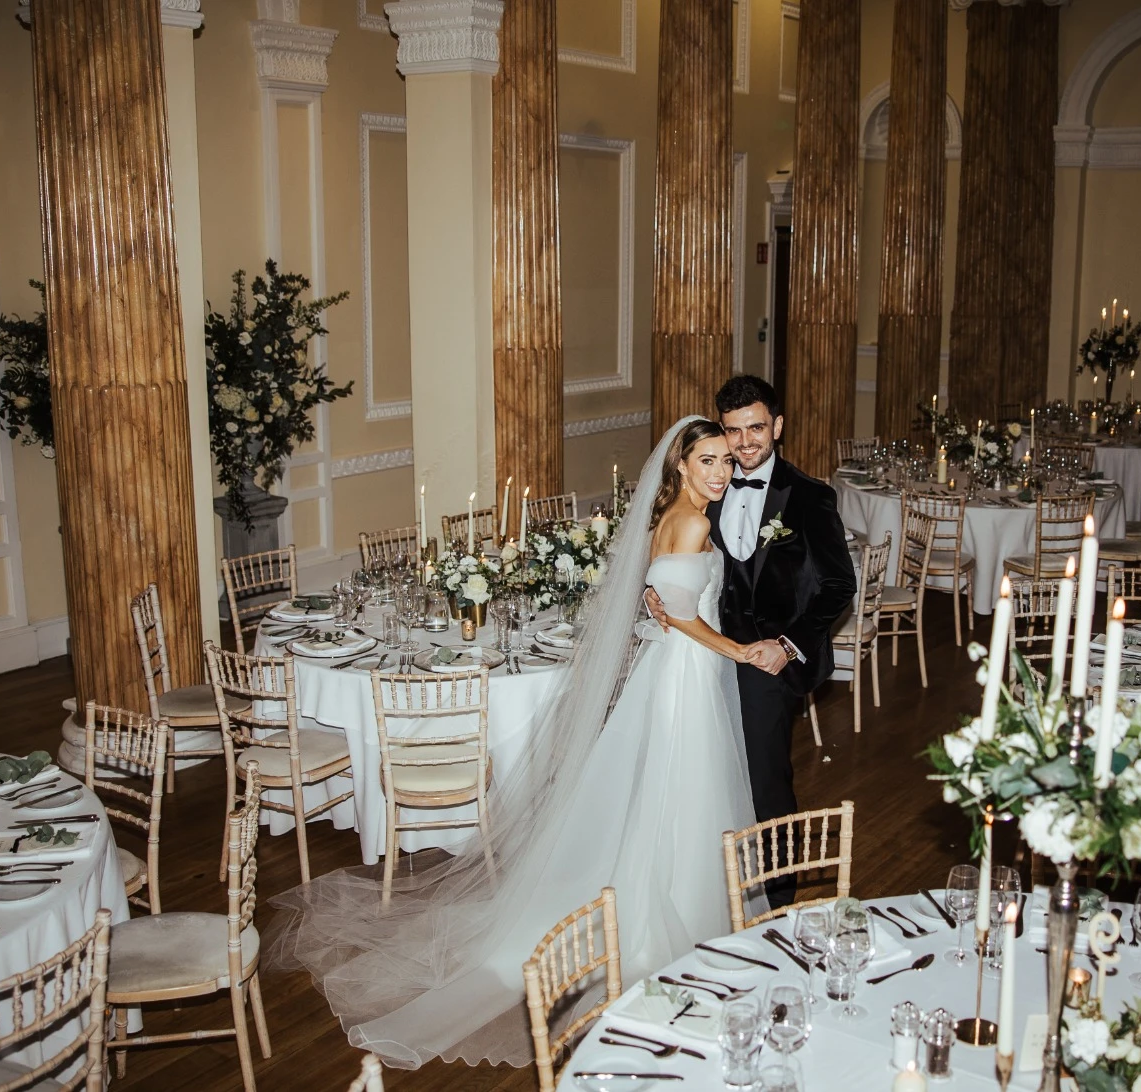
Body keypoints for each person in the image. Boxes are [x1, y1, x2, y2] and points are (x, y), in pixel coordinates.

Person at [268, 416, 767, 1069]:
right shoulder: (695, 523)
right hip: (685, 673)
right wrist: (739, 651)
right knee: (683, 788)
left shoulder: (667, 518)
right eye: (708, 460)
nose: (721, 472)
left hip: (669, 670)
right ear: (681, 465)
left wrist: (669, 609)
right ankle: (671, 916)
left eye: (726, 461)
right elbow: (680, 614)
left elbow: (661, 599)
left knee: (663, 790)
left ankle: (656, 897)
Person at [647, 375, 857, 907]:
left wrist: (786, 646)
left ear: (777, 427)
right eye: (733, 430)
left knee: (765, 782)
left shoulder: (809, 497)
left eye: (756, 428)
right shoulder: (709, 486)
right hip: (705, 656)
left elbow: (839, 586)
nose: (743, 443)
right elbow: (674, 559)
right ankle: (713, 892)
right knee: (706, 776)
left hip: (767, 661)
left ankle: (778, 902)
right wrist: (654, 592)